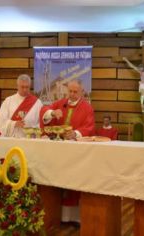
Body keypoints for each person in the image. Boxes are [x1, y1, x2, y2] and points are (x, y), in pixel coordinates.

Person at [40, 79, 95, 223]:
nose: (72, 94)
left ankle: (74, 218)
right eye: (70, 91)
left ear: (81, 91)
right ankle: (58, 215)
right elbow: (43, 111)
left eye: (75, 92)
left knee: (74, 182)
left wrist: (75, 133)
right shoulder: (60, 103)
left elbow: (89, 127)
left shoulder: (87, 107)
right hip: (58, 152)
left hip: (76, 152)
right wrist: (52, 113)